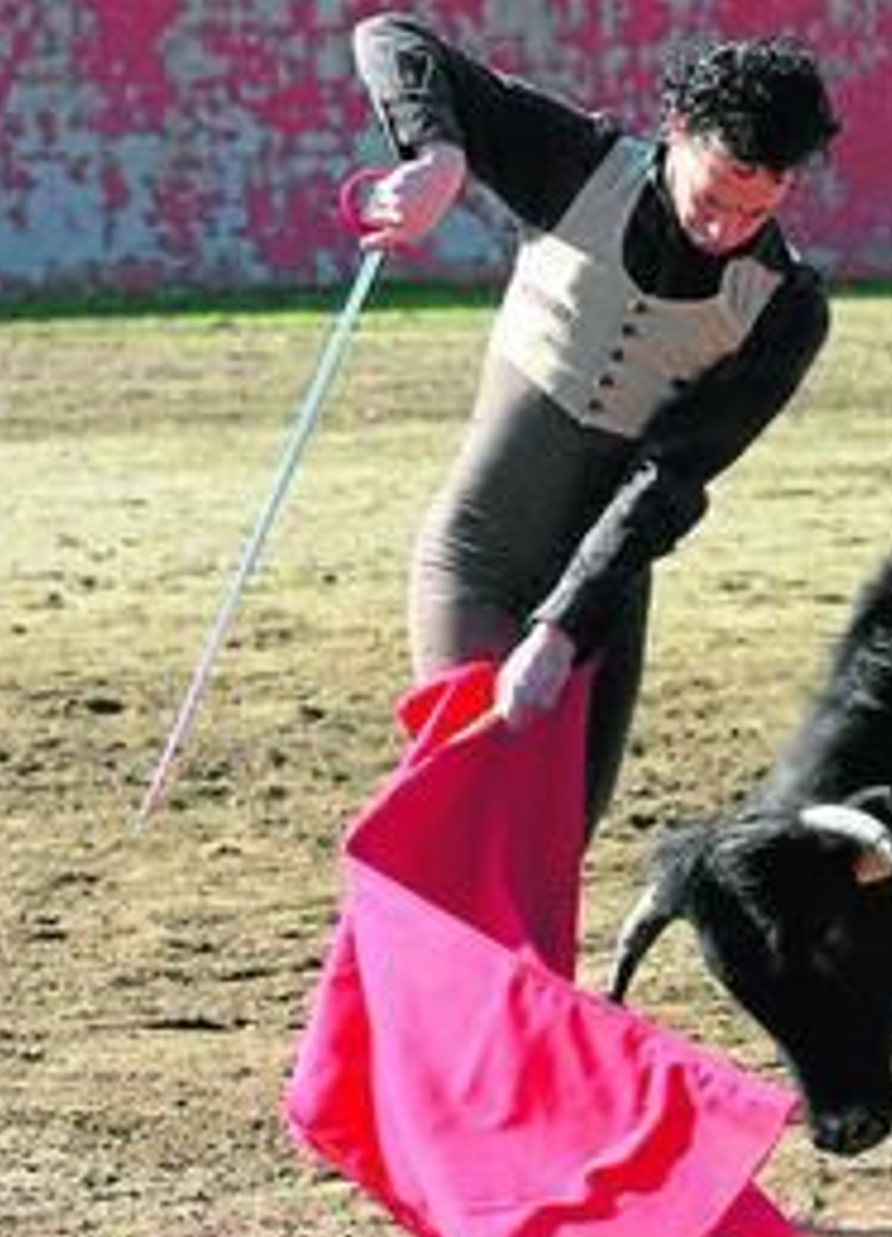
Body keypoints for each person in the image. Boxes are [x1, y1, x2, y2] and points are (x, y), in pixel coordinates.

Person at [350, 14, 840, 833]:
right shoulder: (576, 164)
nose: (722, 230)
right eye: (713, 196)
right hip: (476, 560)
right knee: (477, 807)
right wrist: (438, 156)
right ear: (677, 131)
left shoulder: (785, 308)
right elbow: (390, 37)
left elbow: (670, 480)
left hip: (603, 591)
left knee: (558, 836)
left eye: (755, 212)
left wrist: (561, 627)